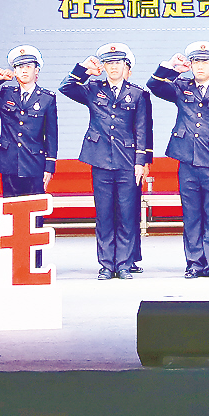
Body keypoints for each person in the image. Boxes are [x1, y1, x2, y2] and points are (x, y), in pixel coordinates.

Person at [147, 41, 209, 279]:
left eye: (204, 62)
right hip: (187, 159)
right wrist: (170, 66)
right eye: (196, 62)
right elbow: (154, 85)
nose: (200, 66)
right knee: (191, 215)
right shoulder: (180, 86)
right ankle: (194, 263)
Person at [62, 43, 153, 280]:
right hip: (100, 158)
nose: (113, 67)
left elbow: (142, 129)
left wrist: (140, 161)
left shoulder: (138, 93)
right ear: (103, 67)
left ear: (126, 66)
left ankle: (123, 264)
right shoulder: (93, 89)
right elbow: (66, 87)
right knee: (103, 215)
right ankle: (105, 264)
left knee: (126, 215)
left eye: (118, 63)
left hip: (127, 161)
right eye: (109, 63)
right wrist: (84, 69)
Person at [0, 46, 59, 201]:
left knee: (34, 206)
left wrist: (50, 166)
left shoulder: (47, 98)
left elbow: (51, 135)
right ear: (14, 72)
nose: (24, 70)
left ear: (36, 70)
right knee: (10, 205)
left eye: (28, 66)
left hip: (34, 161)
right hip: (8, 160)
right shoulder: (6, 94)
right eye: (19, 67)